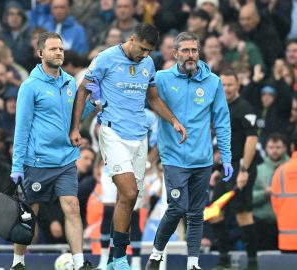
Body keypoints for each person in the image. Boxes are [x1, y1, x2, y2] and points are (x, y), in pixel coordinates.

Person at [70, 23, 187, 269]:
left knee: (129, 200)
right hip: (112, 133)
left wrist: (174, 120)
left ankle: (115, 259)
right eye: (143, 49)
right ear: (131, 39)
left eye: (149, 51)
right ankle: (120, 258)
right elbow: (83, 91)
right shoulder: (105, 58)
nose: (145, 55)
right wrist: (75, 128)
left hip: (139, 138)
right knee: (129, 192)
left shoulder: (147, 64)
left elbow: (153, 98)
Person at [144, 32, 232, 270]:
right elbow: (138, 99)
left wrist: (226, 156)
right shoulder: (161, 79)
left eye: (194, 50)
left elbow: (222, 121)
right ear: (175, 54)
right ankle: (156, 254)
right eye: (185, 50)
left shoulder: (212, 81)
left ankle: (192, 263)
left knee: (196, 213)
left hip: (202, 159)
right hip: (173, 158)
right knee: (176, 208)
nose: (190, 55)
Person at [10, 32, 97, 270]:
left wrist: (92, 104)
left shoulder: (70, 82)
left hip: (66, 158)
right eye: (52, 49)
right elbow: (22, 127)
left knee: (72, 206)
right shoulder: (29, 86)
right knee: (30, 213)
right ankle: (18, 262)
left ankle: (79, 263)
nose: (58, 52)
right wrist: (17, 165)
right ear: (40, 54)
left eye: (60, 49)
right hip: (37, 161)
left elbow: (74, 118)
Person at [210, 69, 258, 270]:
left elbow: (251, 139)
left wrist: (245, 169)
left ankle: (253, 263)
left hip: (242, 167)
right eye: (223, 85)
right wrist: (217, 169)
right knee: (214, 211)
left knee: (243, 214)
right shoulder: (220, 107)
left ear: (238, 85)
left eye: (230, 84)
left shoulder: (245, 107)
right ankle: (223, 259)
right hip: (227, 169)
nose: (226, 88)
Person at [252, 133, 289, 251]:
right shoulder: (258, 170)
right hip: (262, 224)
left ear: (285, 148)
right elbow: (249, 197)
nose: (274, 151)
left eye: (278, 147)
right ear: (266, 149)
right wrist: (264, 194)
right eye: (271, 147)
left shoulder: (291, 170)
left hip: (286, 223)